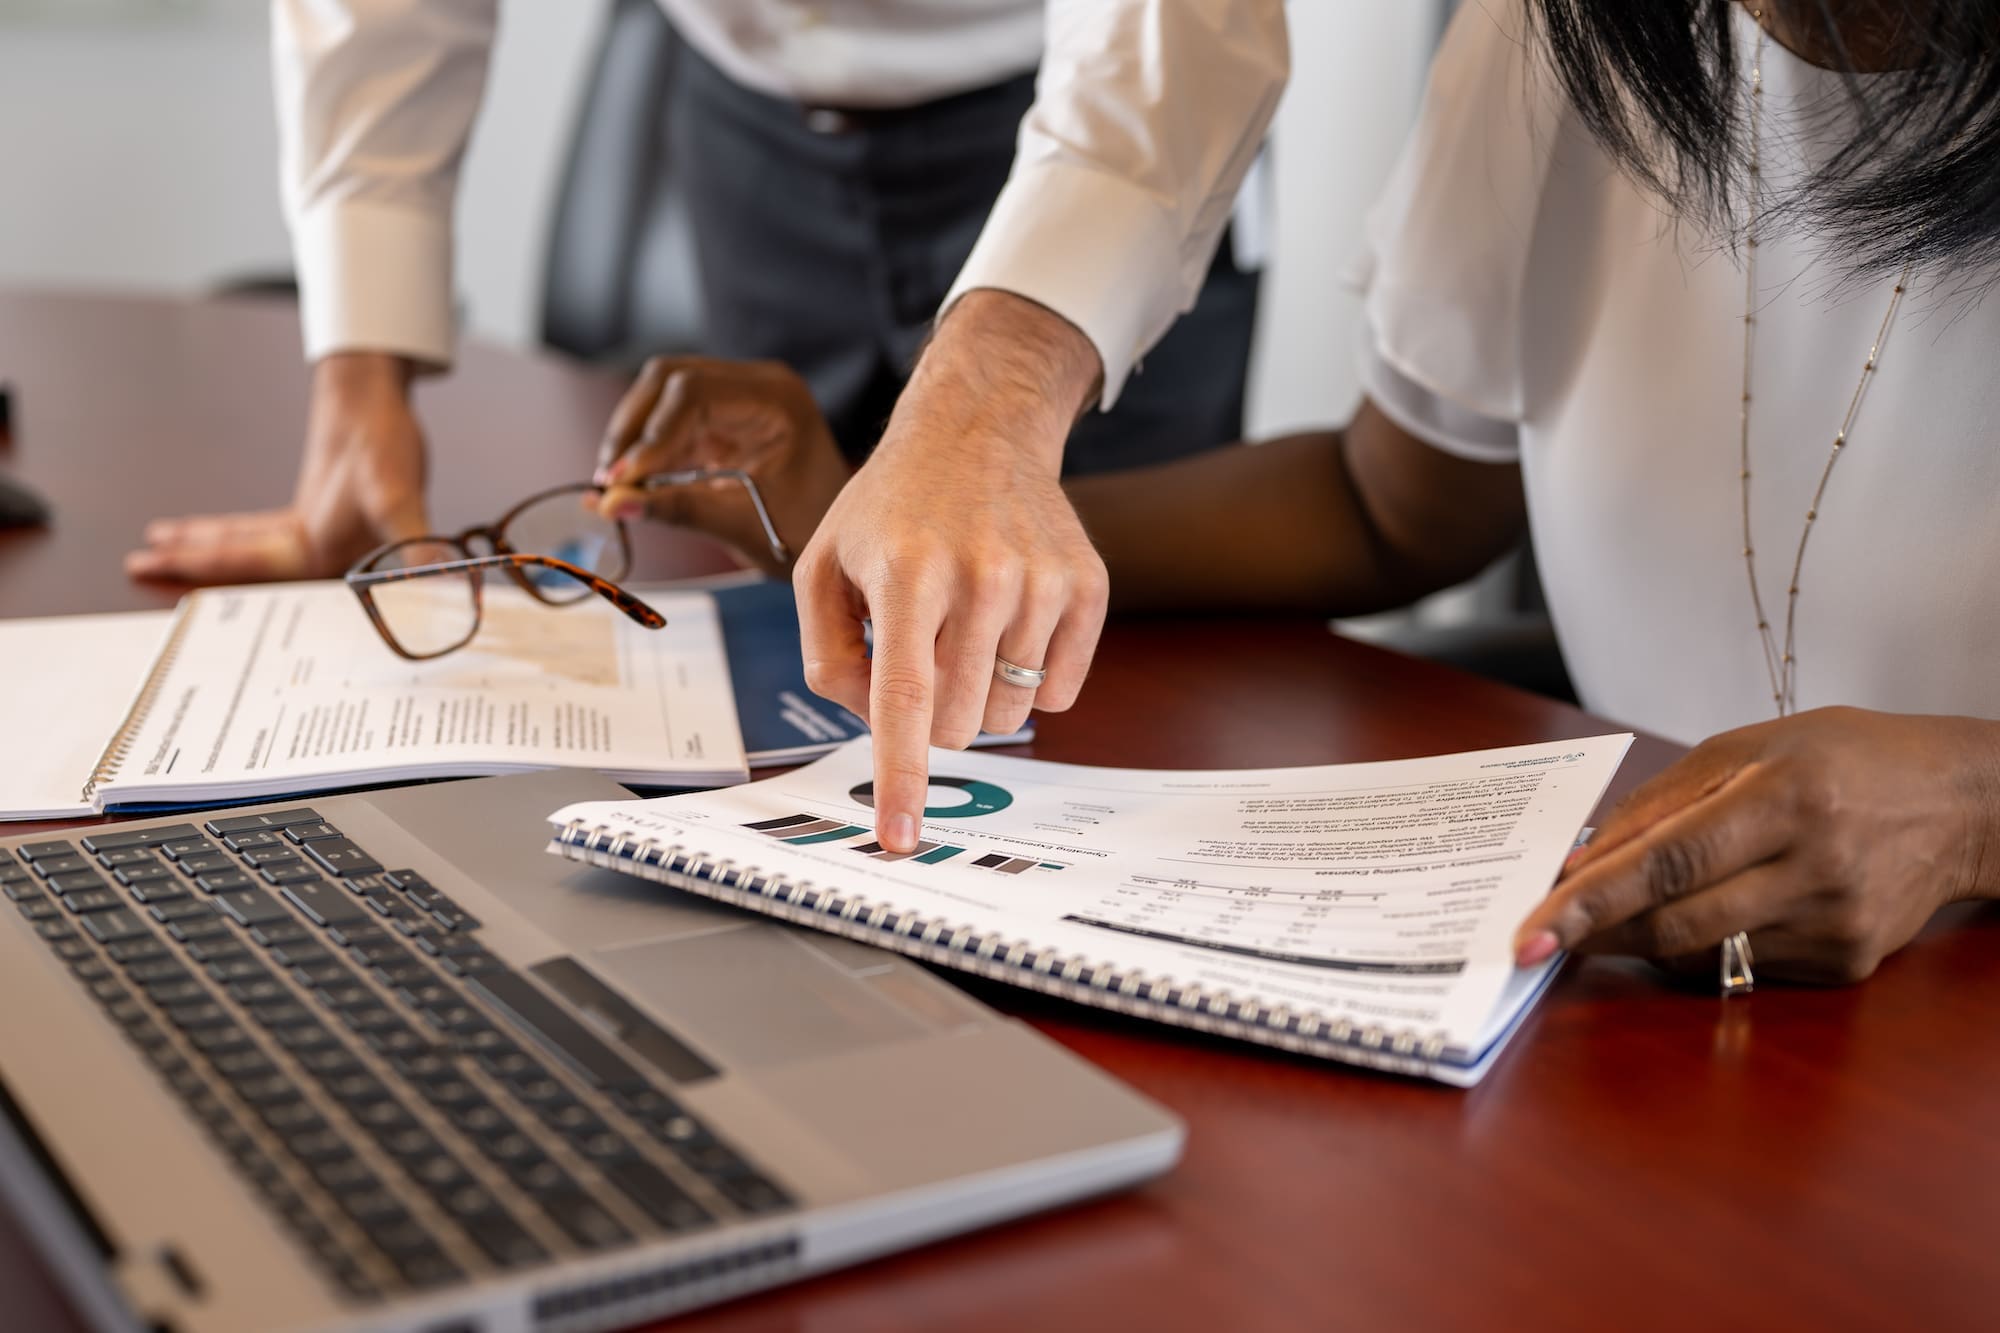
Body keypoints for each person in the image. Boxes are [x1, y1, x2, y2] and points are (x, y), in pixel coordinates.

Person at [586, 0, 2000, 986]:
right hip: (1633, 1001)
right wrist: (904, 511)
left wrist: (1969, 803)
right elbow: (1388, 506)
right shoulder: (1571, 34)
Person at [125, 0, 1289, 855]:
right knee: (802, 684)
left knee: (1094, 716)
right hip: (748, 122)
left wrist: (992, 401)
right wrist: (359, 387)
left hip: (1092, 127)